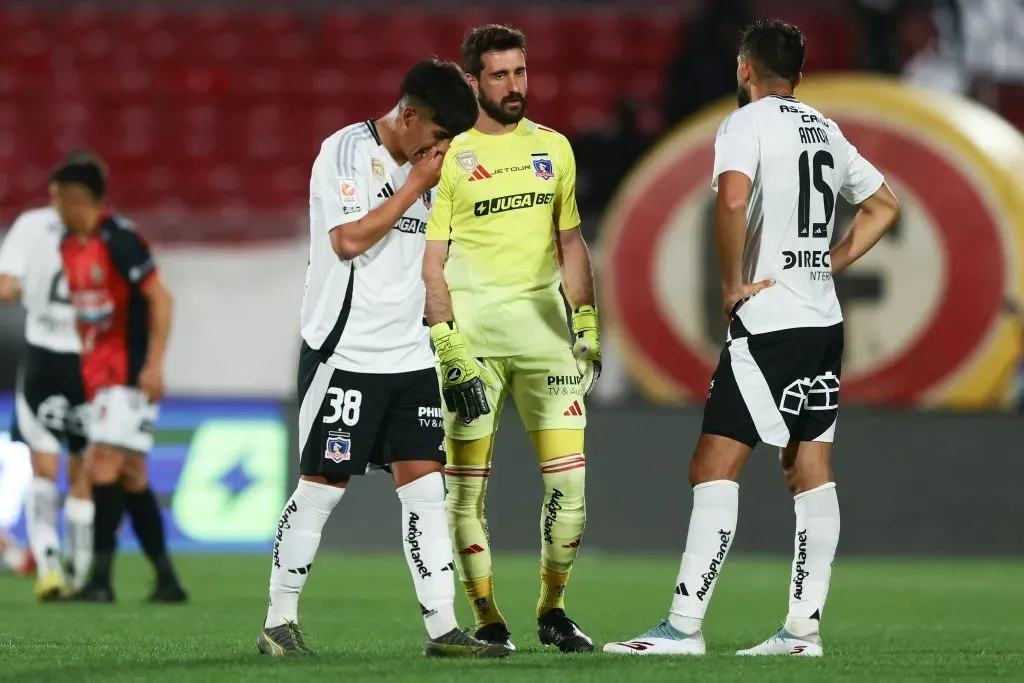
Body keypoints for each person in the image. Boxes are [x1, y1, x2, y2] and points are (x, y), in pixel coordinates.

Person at [604, 19, 900, 657]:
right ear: (798, 73)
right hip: (822, 321)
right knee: (810, 468)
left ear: (745, 69)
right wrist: (826, 263)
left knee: (712, 466)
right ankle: (802, 631)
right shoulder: (827, 127)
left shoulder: (745, 123)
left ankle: (683, 628)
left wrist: (731, 284)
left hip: (769, 321)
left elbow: (733, 201)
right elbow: (884, 207)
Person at [257, 58, 507, 659]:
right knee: (322, 486)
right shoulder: (345, 152)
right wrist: (416, 184)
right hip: (345, 352)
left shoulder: (437, 166)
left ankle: (444, 630)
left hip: (410, 354)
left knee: (426, 491)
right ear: (410, 115)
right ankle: (278, 622)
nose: (443, 148)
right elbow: (347, 241)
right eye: (440, 135)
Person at [422, 24, 601, 653]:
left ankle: (552, 610)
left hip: (546, 340)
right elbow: (431, 260)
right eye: (500, 75)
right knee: (467, 490)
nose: (514, 85)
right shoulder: (449, 156)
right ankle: (488, 619)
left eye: (520, 72)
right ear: (472, 82)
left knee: (570, 487)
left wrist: (586, 321)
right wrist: (444, 341)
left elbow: (570, 241)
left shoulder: (555, 148)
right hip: (472, 346)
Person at [52, 151, 187, 603]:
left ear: (75, 198)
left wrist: (154, 364)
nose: (55, 208)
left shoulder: (120, 240)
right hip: (97, 375)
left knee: (101, 465)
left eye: (58, 199)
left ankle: (99, 582)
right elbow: (85, 315)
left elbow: (161, 299)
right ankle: (167, 581)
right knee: (131, 475)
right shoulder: (69, 246)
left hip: (127, 374)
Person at [0, 174, 94, 599]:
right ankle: (81, 574)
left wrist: (24, 287)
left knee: (43, 468)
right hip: (87, 363)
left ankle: (50, 569)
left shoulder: (31, 225)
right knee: (81, 472)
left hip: (41, 359)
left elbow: (5, 287)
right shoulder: (105, 229)